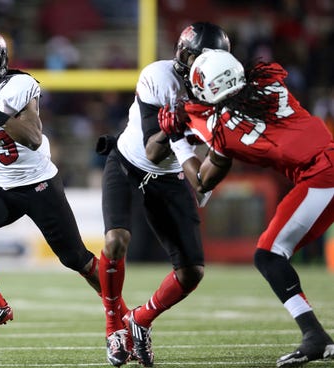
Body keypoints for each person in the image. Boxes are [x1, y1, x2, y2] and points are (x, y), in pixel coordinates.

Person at [158, 49, 334, 367]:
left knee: (268, 254)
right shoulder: (269, 85)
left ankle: (315, 336)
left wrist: (177, 138)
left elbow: (201, 183)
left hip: (322, 173)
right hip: (325, 165)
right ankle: (315, 336)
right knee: (272, 253)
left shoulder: (222, 132)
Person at [0, 27, 101, 340]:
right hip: (1, 184)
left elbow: (32, 138)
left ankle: (121, 313)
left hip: (38, 184)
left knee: (77, 260)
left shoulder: (19, 86)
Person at [97, 22, 230, 367]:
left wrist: (205, 152)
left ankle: (139, 320)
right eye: (193, 56)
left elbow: (205, 176)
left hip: (171, 177)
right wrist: (180, 125)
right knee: (115, 240)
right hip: (128, 163)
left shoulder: (226, 96)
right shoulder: (160, 76)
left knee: (192, 273)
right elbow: (153, 150)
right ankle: (114, 327)